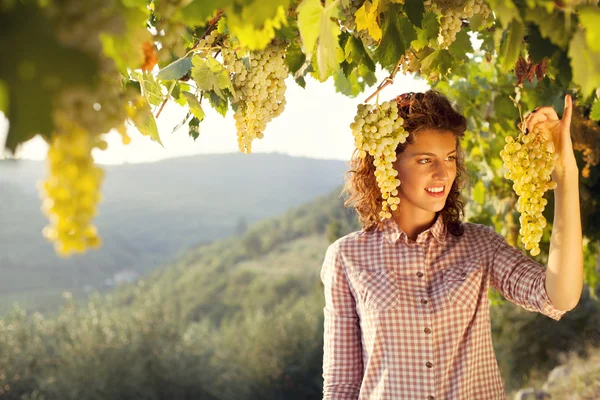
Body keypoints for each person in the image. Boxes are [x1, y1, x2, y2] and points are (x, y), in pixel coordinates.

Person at [320, 90, 583, 399]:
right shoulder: (346, 257)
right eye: (424, 160)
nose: (442, 173)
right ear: (387, 164)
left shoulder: (480, 245)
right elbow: (342, 385)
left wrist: (566, 176)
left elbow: (558, 297)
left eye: (448, 158)